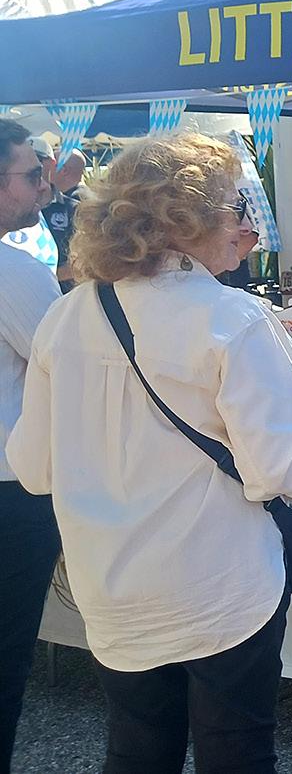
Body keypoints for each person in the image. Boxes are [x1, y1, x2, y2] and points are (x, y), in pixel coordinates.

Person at [6, 133, 292, 774]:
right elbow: (276, 471)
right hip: (221, 584)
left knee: (136, 751)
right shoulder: (233, 317)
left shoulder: (68, 316)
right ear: (187, 220)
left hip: (112, 585)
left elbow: (34, 469)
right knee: (236, 752)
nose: (243, 224)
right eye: (234, 206)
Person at [0, 119, 61, 774]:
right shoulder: (15, 272)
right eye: (31, 174)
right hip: (10, 493)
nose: (43, 186)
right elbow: (70, 373)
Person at [41, 150, 85, 291]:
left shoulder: (78, 205)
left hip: (65, 292)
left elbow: (88, 261)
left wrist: (44, 275)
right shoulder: (23, 206)